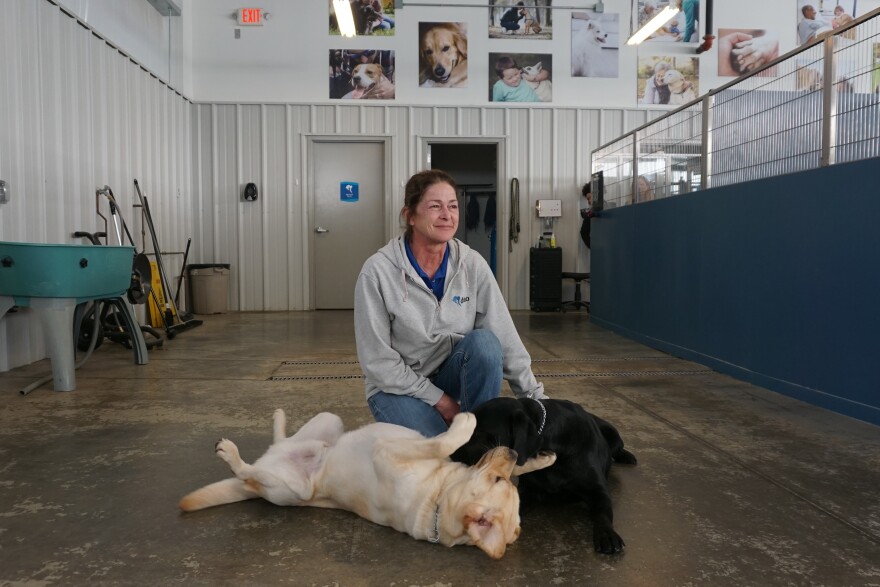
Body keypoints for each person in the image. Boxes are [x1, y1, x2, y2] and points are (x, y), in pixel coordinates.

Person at [354, 169, 547, 437]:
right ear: (409, 215)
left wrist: (537, 401)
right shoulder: (378, 272)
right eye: (435, 206)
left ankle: (481, 436)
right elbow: (378, 363)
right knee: (442, 453)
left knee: (486, 344)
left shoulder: (472, 264)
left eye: (453, 206)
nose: (447, 215)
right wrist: (441, 402)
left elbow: (504, 336)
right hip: (395, 387)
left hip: (450, 377)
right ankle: (467, 437)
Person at [579, 182, 593, 249]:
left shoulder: (609, 207)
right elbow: (583, 232)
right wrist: (593, 246)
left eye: (589, 198)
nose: (589, 201)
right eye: (588, 199)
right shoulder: (590, 214)